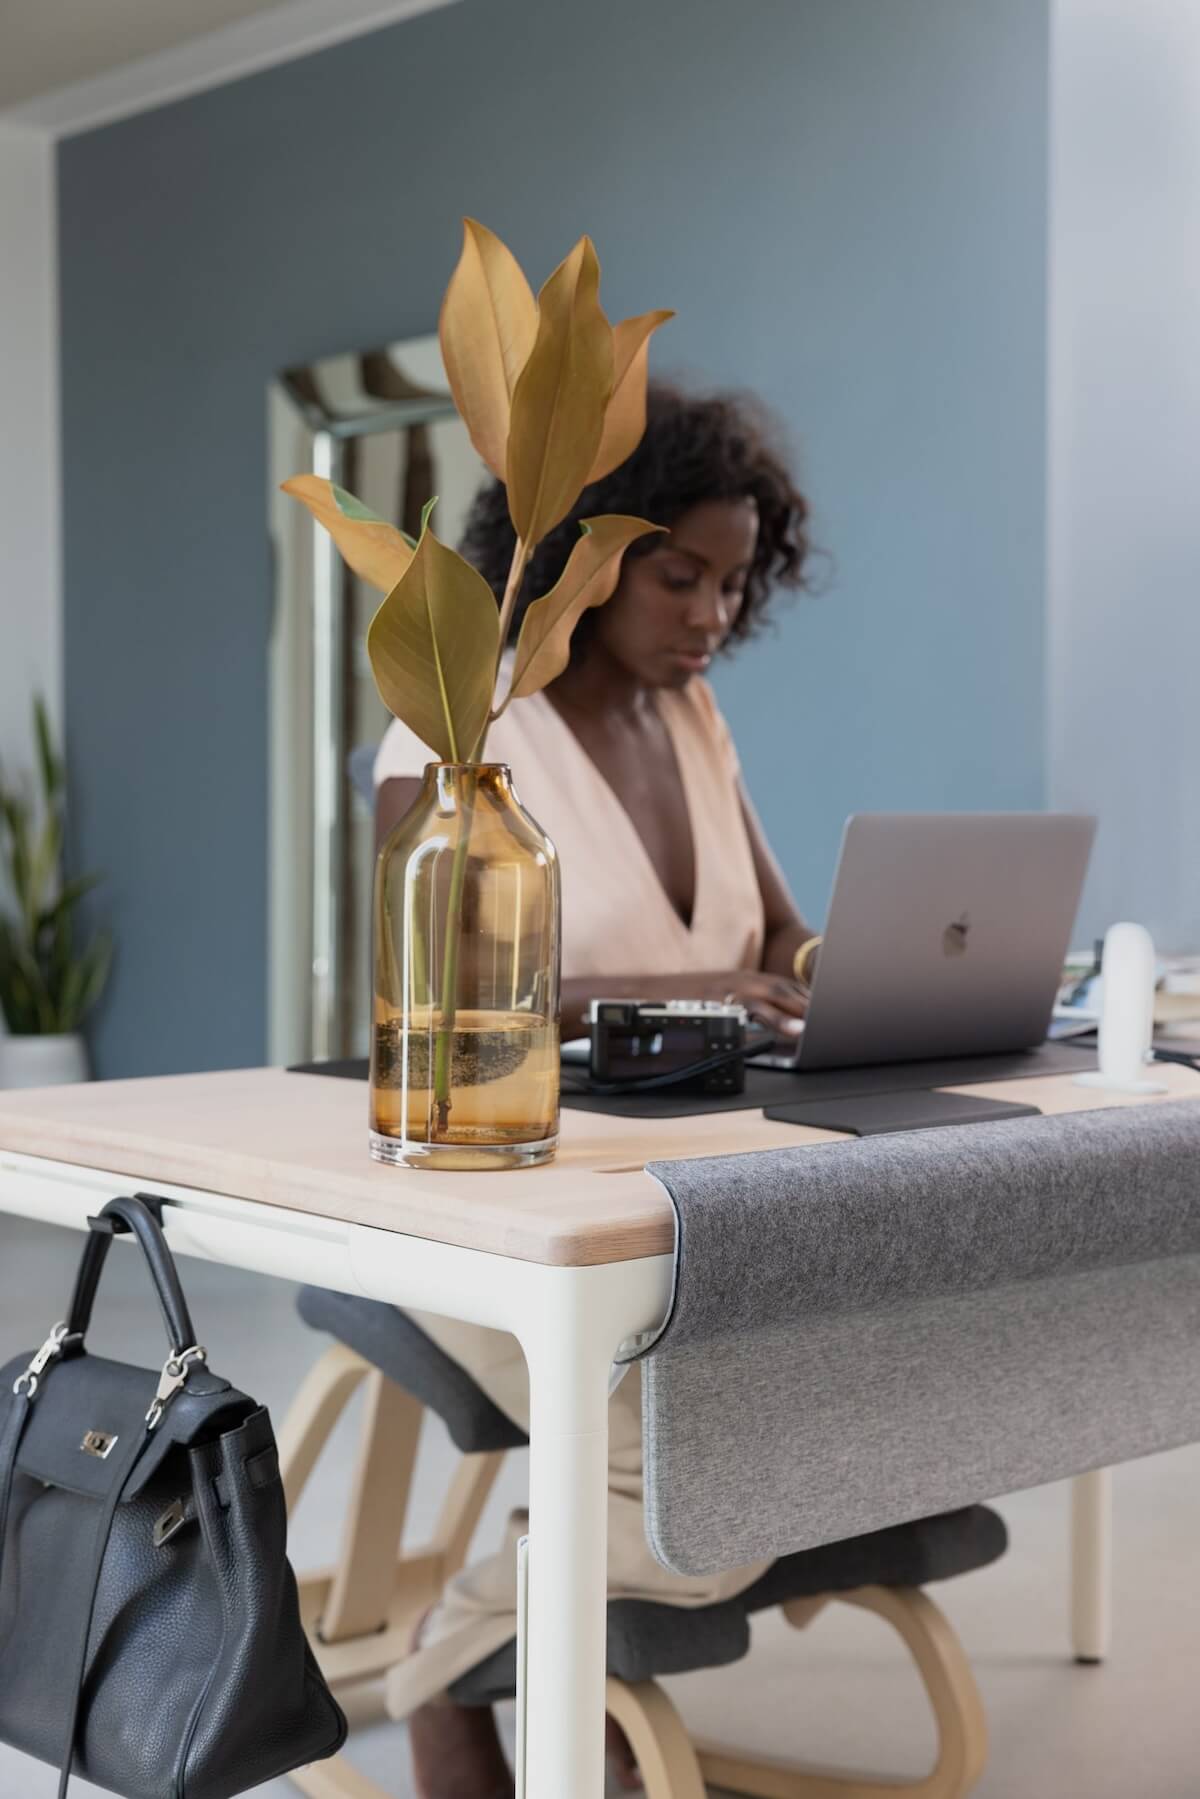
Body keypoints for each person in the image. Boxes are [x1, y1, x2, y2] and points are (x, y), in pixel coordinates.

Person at [373, 383, 818, 1796]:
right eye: (681, 576)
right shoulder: (458, 721)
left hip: (693, 1188)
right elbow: (438, 992)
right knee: (703, 1464)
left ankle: (521, 1669)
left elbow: (776, 935)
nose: (712, 615)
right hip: (496, 1202)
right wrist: (699, 991)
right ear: (589, 556)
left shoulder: (695, 716)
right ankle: (449, 1667)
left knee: (822, 1401)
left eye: (733, 584)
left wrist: (846, 967)